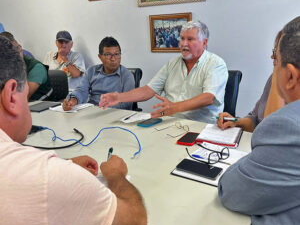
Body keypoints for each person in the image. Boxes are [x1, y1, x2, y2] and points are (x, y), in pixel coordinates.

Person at [0, 36, 153, 225]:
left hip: (110, 121)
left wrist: (66, 164)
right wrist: (117, 177)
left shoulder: (125, 75)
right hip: (90, 121)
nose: (114, 58)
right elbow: (135, 221)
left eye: (117, 54)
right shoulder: (48, 177)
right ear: (12, 95)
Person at [174, 16, 300, 225]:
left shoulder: (289, 127)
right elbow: (255, 118)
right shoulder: (272, 83)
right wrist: (237, 122)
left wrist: (283, 80)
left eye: (275, 57)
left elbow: (231, 192)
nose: (271, 62)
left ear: (290, 74)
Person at [99, 20, 228, 123]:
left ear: (204, 43)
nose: (184, 44)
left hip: (202, 126)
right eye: (182, 38)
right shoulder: (173, 63)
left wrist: (175, 108)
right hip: (171, 123)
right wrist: (119, 97)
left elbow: (208, 98)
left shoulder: (216, 64)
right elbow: (148, 90)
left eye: (190, 39)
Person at [217, 31, 285, 132]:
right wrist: (236, 122)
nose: (272, 57)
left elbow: (273, 132)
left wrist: (278, 69)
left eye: (275, 53)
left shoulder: (279, 76)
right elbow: (255, 119)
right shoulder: (273, 79)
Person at [63, 36, 135, 111]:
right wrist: (73, 101)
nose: (113, 59)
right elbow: (81, 90)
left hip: (114, 113)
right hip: (92, 112)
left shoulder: (127, 76)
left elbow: (126, 103)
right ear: (100, 57)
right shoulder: (91, 71)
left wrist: (101, 109)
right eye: (108, 55)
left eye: (117, 54)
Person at [0, 31, 52, 101]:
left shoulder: (36, 68)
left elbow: (22, 98)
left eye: (18, 48)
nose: (18, 54)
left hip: (39, 105)